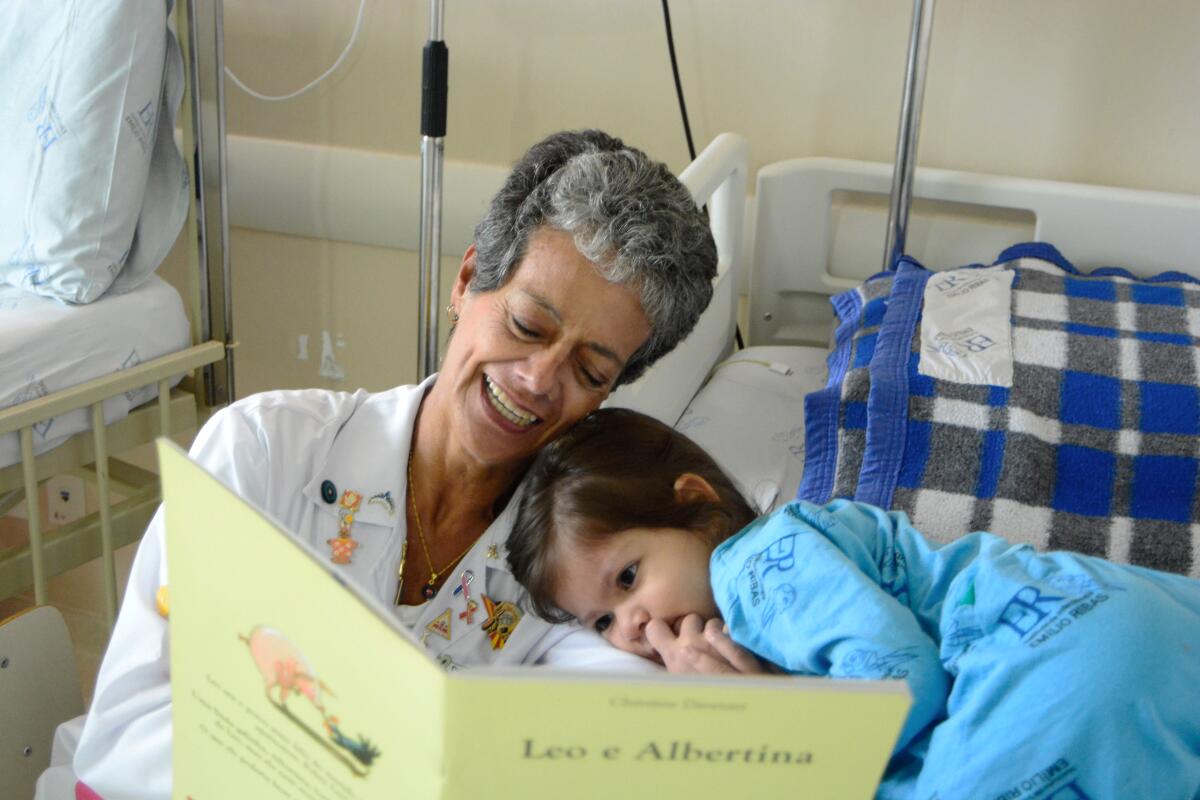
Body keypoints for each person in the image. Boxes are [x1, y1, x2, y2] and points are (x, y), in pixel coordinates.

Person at [38, 130, 720, 800]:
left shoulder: (575, 566)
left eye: (589, 368)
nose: (539, 379)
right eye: (527, 326)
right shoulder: (266, 451)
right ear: (465, 280)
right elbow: (125, 737)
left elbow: (603, 723)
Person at [507, 408, 1200, 800]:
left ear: (695, 503)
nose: (629, 626)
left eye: (627, 577)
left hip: (1040, 669)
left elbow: (901, 684)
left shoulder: (756, 565)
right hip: (1133, 626)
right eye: (601, 621)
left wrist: (751, 722)